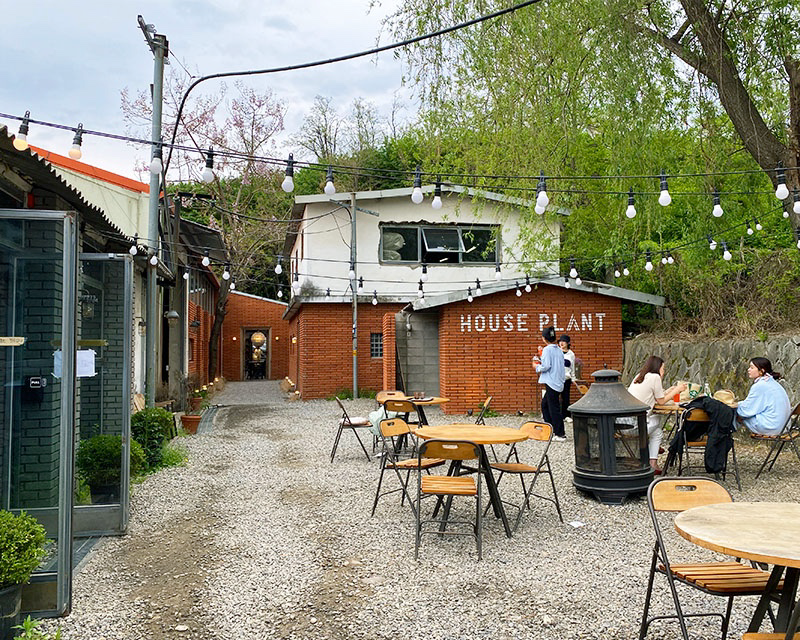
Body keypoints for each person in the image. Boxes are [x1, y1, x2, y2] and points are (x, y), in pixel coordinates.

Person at [627, 355, 687, 473]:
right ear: (657, 367)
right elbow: (661, 401)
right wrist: (676, 390)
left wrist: (668, 391)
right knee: (657, 419)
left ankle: (653, 463)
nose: (663, 372)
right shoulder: (655, 377)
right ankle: (652, 455)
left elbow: (653, 396)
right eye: (663, 369)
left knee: (658, 432)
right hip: (635, 427)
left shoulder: (639, 376)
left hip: (625, 423)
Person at [736, 357, 791, 436]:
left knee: (733, 413)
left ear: (761, 371)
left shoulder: (760, 385)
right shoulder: (771, 382)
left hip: (772, 427)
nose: (748, 370)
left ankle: (721, 440)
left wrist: (734, 405)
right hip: (784, 426)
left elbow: (747, 410)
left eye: (752, 368)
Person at [533, 326, 566, 441]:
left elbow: (546, 366)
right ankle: (550, 430)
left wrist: (536, 366)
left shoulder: (547, 350)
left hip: (551, 381)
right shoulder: (558, 350)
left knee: (553, 408)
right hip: (558, 381)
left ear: (544, 338)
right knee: (545, 405)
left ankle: (560, 434)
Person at [558, 334, 575, 423]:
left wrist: (573, 378)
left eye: (563, 341)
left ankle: (566, 415)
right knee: (555, 397)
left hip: (566, 379)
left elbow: (572, 367)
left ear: (568, 343)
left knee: (565, 397)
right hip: (557, 379)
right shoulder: (557, 352)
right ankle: (557, 415)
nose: (561, 343)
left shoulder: (571, 354)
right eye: (560, 341)